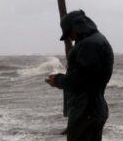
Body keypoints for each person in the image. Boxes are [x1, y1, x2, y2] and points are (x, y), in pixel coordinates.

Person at [46, 10, 114, 141]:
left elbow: (80, 79)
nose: (69, 38)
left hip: (84, 111)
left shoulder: (88, 44)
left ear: (76, 27)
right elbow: (89, 77)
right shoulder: (98, 40)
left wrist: (58, 80)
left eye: (68, 32)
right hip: (95, 110)